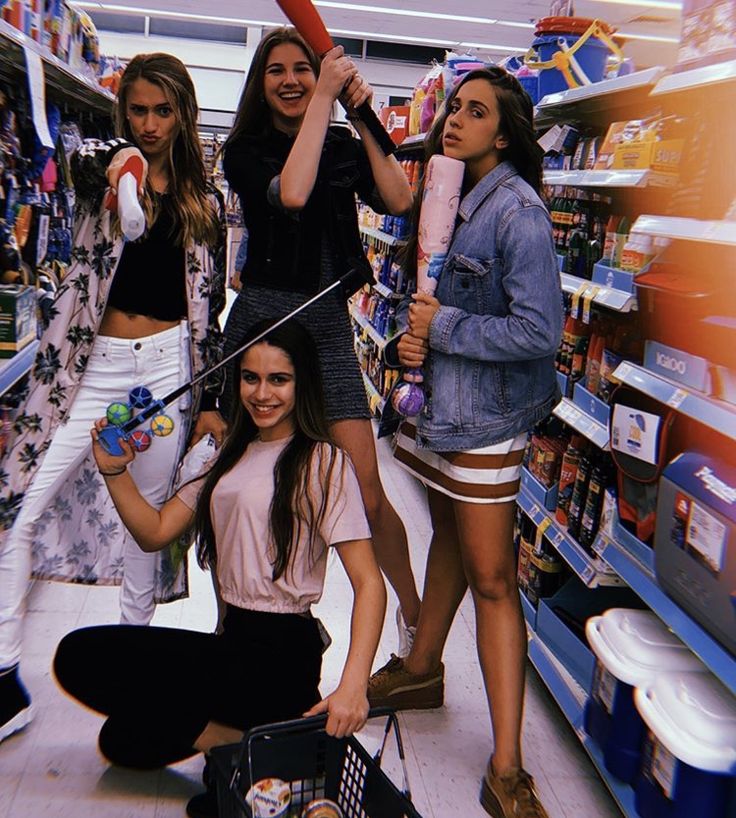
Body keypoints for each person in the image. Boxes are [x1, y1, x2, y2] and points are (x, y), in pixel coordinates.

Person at [53, 319, 386, 818]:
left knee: (100, 672)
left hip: (281, 653)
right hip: (232, 644)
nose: (262, 393)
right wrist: (113, 469)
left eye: (279, 379)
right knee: (120, 737)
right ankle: (264, 746)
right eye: (250, 378)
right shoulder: (223, 460)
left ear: (303, 383)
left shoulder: (322, 462)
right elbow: (156, 530)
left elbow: (369, 582)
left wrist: (354, 684)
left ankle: (265, 751)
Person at [0, 53, 227, 744]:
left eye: (162, 111)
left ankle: (130, 678)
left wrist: (211, 395)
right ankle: (4, 674)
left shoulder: (205, 203)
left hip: (161, 374)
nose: (150, 124)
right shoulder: (103, 168)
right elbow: (89, 165)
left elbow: (208, 310)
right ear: (122, 110)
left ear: (183, 112)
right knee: (18, 505)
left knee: (145, 531)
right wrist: (121, 166)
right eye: (138, 109)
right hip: (86, 368)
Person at [367, 67, 563, 818]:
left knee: (493, 580)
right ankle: (421, 669)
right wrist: (410, 341)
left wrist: (439, 329)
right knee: (443, 532)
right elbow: (430, 297)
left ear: (504, 133)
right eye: (454, 106)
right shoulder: (446, 190)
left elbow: (539, 333)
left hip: (486, 421)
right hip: (439, 408)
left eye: (475, 111)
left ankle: (508, 768)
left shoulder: (519, 214)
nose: (454, 119)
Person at [220, 27, 420, 658]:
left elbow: (400, 198)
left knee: (365, 486)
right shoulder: (244, 151)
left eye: (302, 69)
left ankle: (415, 629)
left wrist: (361, 117)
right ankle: (239, 628)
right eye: (275, 70)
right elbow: (294, 192)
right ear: (260, 83)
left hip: (328, 322)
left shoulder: (340, 141)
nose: (290, 81)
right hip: (263, 324)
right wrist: (328, 100)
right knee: (245, 485)